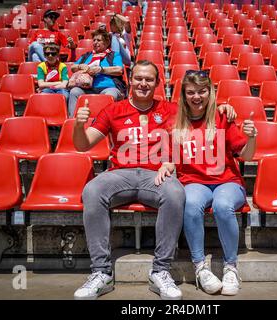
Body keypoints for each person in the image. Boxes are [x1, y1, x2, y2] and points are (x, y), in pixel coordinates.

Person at [72, 60, 237, 300]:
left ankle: (161, 271)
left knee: (176, 194)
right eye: (138, 77)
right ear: (131, 81)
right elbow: (82, 144)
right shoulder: (112, 110)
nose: (143, 83)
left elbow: (201, 108)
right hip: (120, 173)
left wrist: (223, 108)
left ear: (158, 83)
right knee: (92, 191)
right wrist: (79, 125)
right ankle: (101, 272)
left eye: (149, 79)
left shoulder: (171, 109)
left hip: (157, 174)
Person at [155, 70, 257, 296]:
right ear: (183, 95)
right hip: (194, 181)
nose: (197, 97)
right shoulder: (174, 123)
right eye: (191, 92)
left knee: (222, 205)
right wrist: (166, 164)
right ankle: (200, 267)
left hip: (227, 181)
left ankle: (230, 267)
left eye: (202, 91)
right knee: (190, 205)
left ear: (210, 92)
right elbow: (169, 157)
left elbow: (247, 156)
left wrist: (252, 138)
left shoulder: (222, 117)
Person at [68, 29, 126, 118]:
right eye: (94, 40)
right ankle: (72, 122)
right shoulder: (87, 55)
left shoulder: (114, 55)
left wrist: (101, 70)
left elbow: (119, 70)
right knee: (74, 92)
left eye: (98, 40)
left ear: (107, 42)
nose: (95, 42)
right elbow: (73, 67)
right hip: (87, 88)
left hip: (108, 87)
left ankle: (105, 123)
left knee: (110, 95)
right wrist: (80, 66)